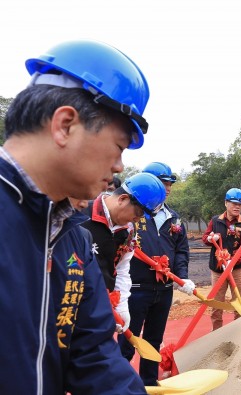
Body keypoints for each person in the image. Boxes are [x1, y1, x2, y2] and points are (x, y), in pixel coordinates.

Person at [0, 39, 150, 393]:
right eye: (119, 147)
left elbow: (95, 357)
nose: (118, 167)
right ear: (65, 125)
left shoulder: (72, 239)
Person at [120, 162, 194, 386]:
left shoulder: (174, 217)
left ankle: (149, 383)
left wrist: (182, 276)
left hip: (164, 290)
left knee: (154, 340)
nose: (168, 188)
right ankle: (119, 384)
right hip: (136, 289)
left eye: (170, 183)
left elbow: (181, 249)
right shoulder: (134, 213)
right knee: (128, 341)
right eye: (163, 183)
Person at [80, 173, 166, 332]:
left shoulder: (128, 232)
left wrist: (121, 305)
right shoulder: (81, 214)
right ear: (123, 199)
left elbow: (121, 268)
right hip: (72, 303)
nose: (137, 220)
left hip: (100, 309)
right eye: (138, 214)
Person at [201, 188, 241, 330]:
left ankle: (238, 332)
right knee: (217, 303)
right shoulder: (215, 220)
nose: (237, 207)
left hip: (237, 269)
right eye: (234, 203)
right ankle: (217, 332)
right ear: (226, 203)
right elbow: (205, 238)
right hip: (218, 271)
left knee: (239, 301)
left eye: (240, 204)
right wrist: (211, 239)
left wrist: (233, 261)